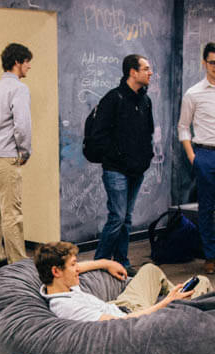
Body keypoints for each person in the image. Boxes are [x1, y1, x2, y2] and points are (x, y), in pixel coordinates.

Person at [35, 241, 213, 321]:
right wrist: (166, 304)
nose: (78, 269)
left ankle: (180, 300)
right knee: (203, 281)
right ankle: (182, 308)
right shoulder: (67, 307)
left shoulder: (56, 285)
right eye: (73, 265)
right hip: (133, 315)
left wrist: (106, 263)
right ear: (56, 271)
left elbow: (82, 267)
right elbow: (121, 323)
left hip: (121, 303)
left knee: (150, 269)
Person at [91, 54, 155, 276]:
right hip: (116, 169)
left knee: (126, 218)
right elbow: (99, 135)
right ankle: (98, 264)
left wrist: (146, 157)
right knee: (117, 217)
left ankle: (121, 263)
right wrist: (117, 156)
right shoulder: (113, 98)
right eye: (146, 68)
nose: (150, 72)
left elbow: (148, 133)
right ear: (133, 72)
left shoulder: (145, 101)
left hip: (137, 169)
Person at [0, 42, 33, 270]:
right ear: (17, 62)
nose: (29, 67)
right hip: (5, 157)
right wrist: (24, 150)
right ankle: (19, 262)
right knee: (12, 211)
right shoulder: (19, 89)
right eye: (27, 62)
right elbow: (22, 125)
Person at [178, 41, 215, 274]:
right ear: (204, 63)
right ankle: (211, 256)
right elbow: (183, 126)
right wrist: (193, 157)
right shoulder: (193, 93)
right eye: (212, 62)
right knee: (207, 208)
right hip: (206, 154)